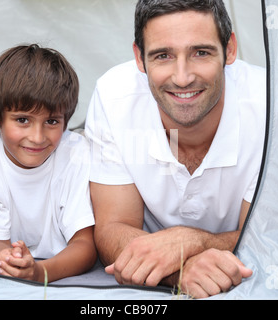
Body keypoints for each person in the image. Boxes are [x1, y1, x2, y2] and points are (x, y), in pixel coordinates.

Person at [84, 0, 265, 298]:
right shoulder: (113, 95)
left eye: (201, 52)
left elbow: (267, 238)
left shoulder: (270, 106)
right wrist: (182, 270)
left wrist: (189, 241)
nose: (182, 78)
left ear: (230, 49)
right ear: (139, 58)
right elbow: (112, 228)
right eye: (163, 56)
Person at [0, 44, 97, 283]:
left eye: (52, 121)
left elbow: (85, 245)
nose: (37, 137)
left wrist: (39, 273)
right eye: (23, 120)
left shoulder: (76, 154)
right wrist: (7, 260)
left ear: (66, 123)